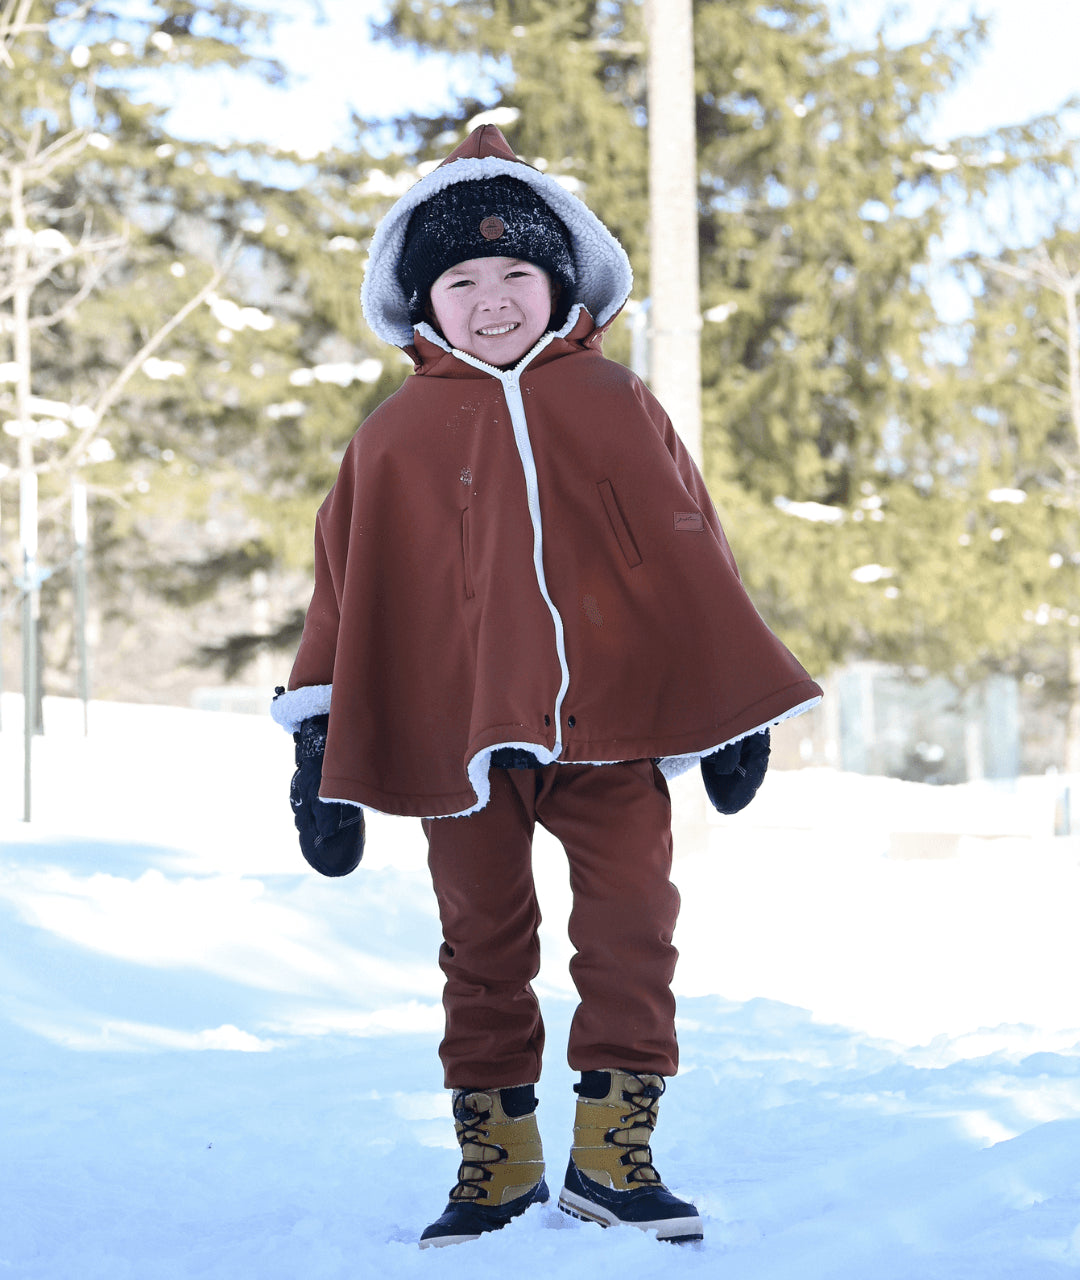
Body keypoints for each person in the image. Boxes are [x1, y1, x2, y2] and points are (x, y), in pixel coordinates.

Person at [272, 123, 823, 1249]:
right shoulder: (393, 439)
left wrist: (731, 704)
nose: (489, 300)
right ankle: (498, 1160)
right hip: (457, 741)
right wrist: (316, 740)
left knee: (633, 930)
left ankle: (616, 1154)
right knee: (481, 942)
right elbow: (345, 588)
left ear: (560, 282)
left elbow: (691, 549)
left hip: (614, 730)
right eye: (460, 279)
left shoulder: (618, 405)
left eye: (515, 273)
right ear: (422, 297)